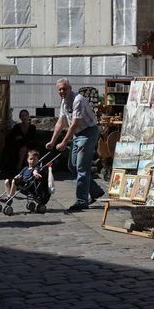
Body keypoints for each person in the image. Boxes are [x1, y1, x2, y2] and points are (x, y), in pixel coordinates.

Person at [45, 78, 105, 211]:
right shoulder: (64, 101)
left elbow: (74, 123)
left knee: (82, 168)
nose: (62, 91)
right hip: (78, 134)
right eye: (59, 89)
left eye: (64, 89)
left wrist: (63, 142)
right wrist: (52, 141)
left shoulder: (78, 100)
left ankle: (81, 201)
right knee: (73, 166)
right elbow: (60, 122)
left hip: (88, 133)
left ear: (70, 88)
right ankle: (95, 190)